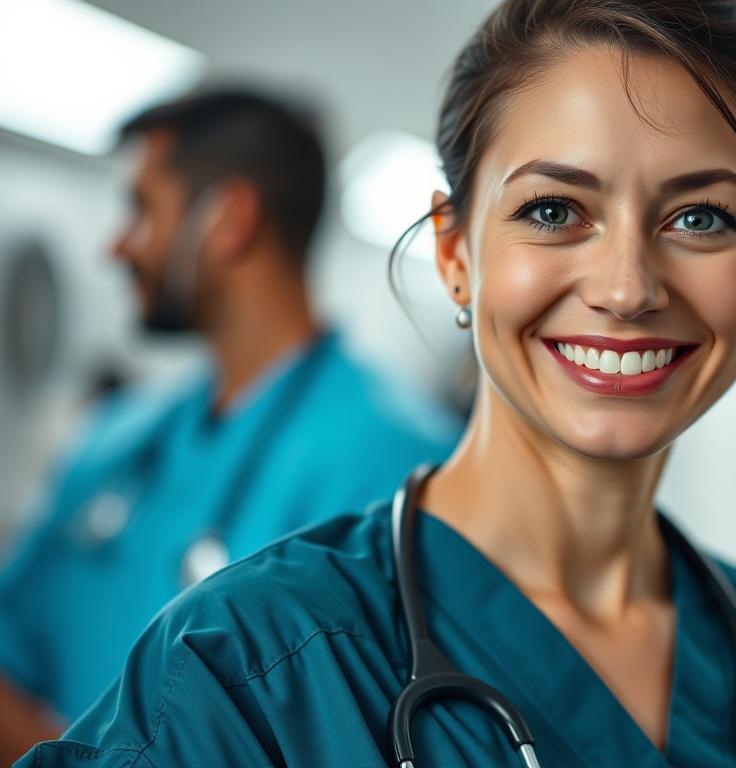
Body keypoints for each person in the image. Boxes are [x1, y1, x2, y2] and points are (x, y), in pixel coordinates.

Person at [17, 2, 736, 766]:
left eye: (701, 217)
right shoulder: (255, 671)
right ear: (456, 253)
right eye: (554, 210)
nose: (627, 287)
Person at [0, 89, 459, 764]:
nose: (116, 247)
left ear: (228, 220)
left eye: (141, 209)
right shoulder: (112, 442)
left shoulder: (400, 469)